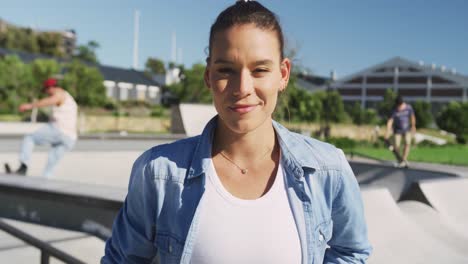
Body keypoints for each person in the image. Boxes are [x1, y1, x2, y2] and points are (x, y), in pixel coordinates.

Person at [102, 1, 372, 263]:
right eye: (226, 70)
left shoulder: (328, 170)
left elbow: (350, 252)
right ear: (208, 75)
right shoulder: (159, 173)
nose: (242, 87)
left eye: (260, 70)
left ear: (283, 74)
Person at [10, 78, 78, 178]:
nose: (46, 93)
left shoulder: (59, 93)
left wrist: (29, 106)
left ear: (50, 87)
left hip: (59, 130)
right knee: (51, 164)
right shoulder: (68, 98)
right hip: (70, 138)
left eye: (46, 90)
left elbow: (50, 100)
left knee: (29, 138)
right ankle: (46, 182)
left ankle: (23, 167)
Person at [385, 95, 416, 168]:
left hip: (407, 129)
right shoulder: (394, 110)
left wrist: (413, 126)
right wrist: (387, 131)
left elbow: (412, 117)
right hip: (397, 130)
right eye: (398, 106)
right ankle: (400, 160)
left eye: (400, 106)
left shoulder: (408, 108)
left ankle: (404, 159)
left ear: (403, 103)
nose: (399, 107)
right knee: (396, 146)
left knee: (407, 143)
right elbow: (390, 121)